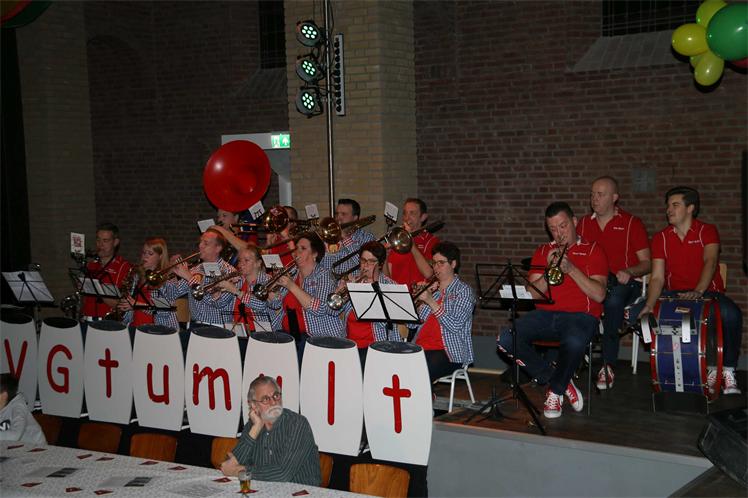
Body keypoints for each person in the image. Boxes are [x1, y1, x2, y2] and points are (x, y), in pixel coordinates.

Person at [497, 202, 608, 419]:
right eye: (553, 229)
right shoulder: (543, 252)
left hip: (581, 316)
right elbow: (532, 295)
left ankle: (556, 392)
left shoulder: (593, 250)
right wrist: (549, 271)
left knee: (574, 341)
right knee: (506, 339)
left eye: (563, 226)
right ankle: (558, 380)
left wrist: (571, 269)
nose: (559, 234)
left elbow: (599, 295)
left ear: (574, 222)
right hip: (546, 316)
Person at [637, 186, 742, 395]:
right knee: (638, 315)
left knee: (732, 314)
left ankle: (726, 370)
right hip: (674, 295)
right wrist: (649, 305)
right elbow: (657, 278)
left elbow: (710, 262)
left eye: (675, 205)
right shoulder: (661, 238)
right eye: (668, 205)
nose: (669, 210)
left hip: (708, 294)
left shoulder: (707, 231)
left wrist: (698, 291)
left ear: (690, 208)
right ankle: (673, 371)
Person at [576, 176, 651, 390]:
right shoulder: (584, 224)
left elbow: (647, 263)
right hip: (595, 282)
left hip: (625, 284)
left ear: (614, 197)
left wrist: (629, 271)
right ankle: (568, 357)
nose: (594, 199)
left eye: (600, 194)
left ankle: (607, 365)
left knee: (613, 301)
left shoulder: (631, 223)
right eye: (592, 194)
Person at [219, 376, 320, 486]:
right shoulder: (252, 426)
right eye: (265, 399)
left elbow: (282, 474)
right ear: (253, 405)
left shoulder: (297, 423)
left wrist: (238, 471)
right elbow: (231, 463)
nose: (273, 402)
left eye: (276, 396)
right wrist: (255, 429)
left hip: (300, 491)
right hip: (264, 488)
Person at [271, 232, 344, 359]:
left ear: (315, 254)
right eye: (296, 248)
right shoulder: (292, 274)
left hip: (318, 338)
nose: (296, 252)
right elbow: (274, 304)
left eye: (303, 248)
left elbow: (320, 308)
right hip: (290, 336)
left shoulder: (323, 275)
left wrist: (292, 286)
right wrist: (272, 289)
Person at [409, 241, 475, 382]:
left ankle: (425, 394)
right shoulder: (431, 290)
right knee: (396, 364)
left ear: (453, 264)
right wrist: (416, 304)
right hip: (420, 347)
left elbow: (455, 325)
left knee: (421, 369)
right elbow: (411, 325)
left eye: (441, 263)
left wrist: (431, 301)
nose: (436, 267)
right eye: (434, 263)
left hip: (450, 352)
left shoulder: (463, 291)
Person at [338, 241, 403, 366]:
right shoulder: (352, 282)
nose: (365, 265)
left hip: (378, 346)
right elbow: (333, 311)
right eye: (363, 260)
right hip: (350, 345)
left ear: (381, 264)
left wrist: (363, 294)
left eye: (371, 261)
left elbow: (384, 323)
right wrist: (340, 293)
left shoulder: (390, 286)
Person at [161, 229, 236, 328]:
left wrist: (189, 278)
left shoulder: (230, 272)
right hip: (194, 325)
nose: (200, 246)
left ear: (218, 248)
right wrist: (172, 274)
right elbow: (172, 295)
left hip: (218, 328)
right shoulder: (196, 269)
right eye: (200, 242)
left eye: (206, 243)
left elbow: (218, 302)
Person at [217, 244, 282, 334]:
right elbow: (220, 304)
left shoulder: (268, 281)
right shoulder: (238, 281)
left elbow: (260, 304)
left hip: (264, 334)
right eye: (240, 260)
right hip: (238, 332)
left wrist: (235, 291)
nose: (241, 264)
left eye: (246, 260)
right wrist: (217, 293)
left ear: (258, 263)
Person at [118, 237, 179, 330]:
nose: (145, 256)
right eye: (144, 253)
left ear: (160, 256)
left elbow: (165, 311)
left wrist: (137, 305)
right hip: (136, 326)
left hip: (159, 329)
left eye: (150, 253)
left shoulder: (167, 278)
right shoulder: (137, 277)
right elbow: (132, 304)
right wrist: (126, 308)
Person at [81, 223, 133, 321]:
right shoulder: (91, 265)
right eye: (98, 240)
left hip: (108, 321)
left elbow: (121, 304)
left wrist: (97, 290)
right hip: (87, 317)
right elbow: (85, 299)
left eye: (105, 241)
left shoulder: (124, 267)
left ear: (115, 242)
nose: (100, 245)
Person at [385, 198, 438, 289]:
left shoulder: (431, 241)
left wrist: (411, 243)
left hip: (419, 294)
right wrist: (385, 257)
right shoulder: (397, 240)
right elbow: (387, 278)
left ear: (423, 217)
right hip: (397, 293)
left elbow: (429, 274)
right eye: (405, 213)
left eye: (412, 213)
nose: (407, 218)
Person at [320, 198, 375, 274]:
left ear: (355, 218)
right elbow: (321, 267)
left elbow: (366, 266)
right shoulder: (329, 238)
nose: (338, 218)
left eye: (343, 214)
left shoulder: (367, 238)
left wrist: (346, 239)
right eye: (337, 214)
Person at [0, 373, 46, 444]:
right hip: (13, 447)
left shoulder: (18, 407)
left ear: (4, 395)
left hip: (36, 448)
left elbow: (15, 436)